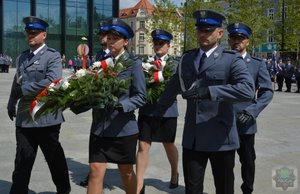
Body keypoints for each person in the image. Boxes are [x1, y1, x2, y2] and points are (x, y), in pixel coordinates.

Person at [152, 10, 255, 194]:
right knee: (192, 189)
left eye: (208, 30)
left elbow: (247, 90)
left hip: (221, 137)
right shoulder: (187, 58)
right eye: (200, 30)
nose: (203, 34)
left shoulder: (231, 60)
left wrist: (210, 91)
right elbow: (172, 88)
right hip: (194, 137)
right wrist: (157, 113)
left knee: (224, 188)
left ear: (220, 33)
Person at [73, 18, 146, 194]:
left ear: (126, 41)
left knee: (126, 172)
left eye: (116, 38)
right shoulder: (101, 62)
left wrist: (121, 105)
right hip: (99, 128)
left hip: (122, 129)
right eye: (110, 38)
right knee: (95, 172)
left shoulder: (133, 64)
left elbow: (141, 96)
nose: (111, 42)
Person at [6, 16, 70, 194]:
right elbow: (17, 81)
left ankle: (63, 189)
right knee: (22, 160)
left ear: (44, 35)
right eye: (28, 33)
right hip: (24, 118)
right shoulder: (21, 58)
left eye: (34, 33)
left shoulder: (53, 56)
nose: (30, 36)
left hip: (46, 116)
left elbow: (53, 80)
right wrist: (11, 102)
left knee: (53, 158)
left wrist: (24, 90)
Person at [227, 22, 274, 194]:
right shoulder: (221, 61)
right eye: (233, 38)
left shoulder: (256, 64)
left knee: (247, 161)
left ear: (247, 41)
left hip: (245, 122)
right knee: (224, 163)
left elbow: (267, 91)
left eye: (241, 38)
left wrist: (252, 111)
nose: (236, 41)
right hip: (223, 121)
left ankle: (247, 190)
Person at [136, 29, 179, 194]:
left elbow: (177, 86)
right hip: (147, 110)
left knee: (168, 145)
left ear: (169, 45)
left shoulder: (175, 64)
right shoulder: (146, 63)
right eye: (156, 43)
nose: (158, 46)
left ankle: (174, 172)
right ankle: (139, 184)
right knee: (143, 145)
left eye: (162, 43)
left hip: (167, 112)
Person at [79, 20, 111, 187]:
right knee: (95, 142)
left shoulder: (116, 54)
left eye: (103, 34)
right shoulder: (99, 54)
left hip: (113, 108)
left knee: (119, 152)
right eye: (100, 34)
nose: (101, 37)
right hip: (98, 108)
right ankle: (93, 175)